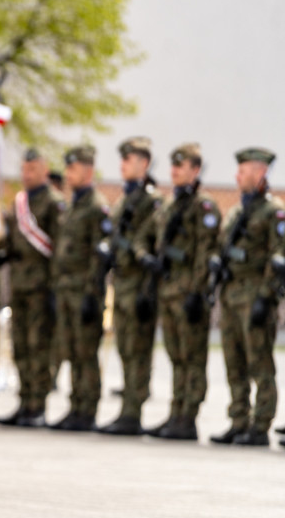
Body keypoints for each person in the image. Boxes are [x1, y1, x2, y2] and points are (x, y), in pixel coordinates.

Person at [134, 144, 220, 441]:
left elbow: (204, 253)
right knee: (175, 356)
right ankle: (175, 412)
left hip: (188, 294)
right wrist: (146, 255)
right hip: (167, 290)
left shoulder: (203, 206)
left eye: (181, 166)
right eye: (172, 167)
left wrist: (198, 292)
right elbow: (143, 236)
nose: (174, 171)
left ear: (195, 170)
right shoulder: (168, 205)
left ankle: (188, 417)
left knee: (192, 356)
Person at [209, 148, 284, 447]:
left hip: (255, 295)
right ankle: (239, 419)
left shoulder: (273, 212)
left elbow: (279, 255)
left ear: (260, 173)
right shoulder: (238, 211)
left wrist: (265, 297)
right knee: (233, 360)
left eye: (243, 172)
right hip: (230, 294)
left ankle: (260, 424)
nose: (237, 177)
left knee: (260, 363)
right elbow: (221, 244)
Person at [97, 137, 163, 435]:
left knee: (138, 349)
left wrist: (148, 290)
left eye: (130, 160)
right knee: (125, 347)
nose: (123, 165)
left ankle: (133, 410)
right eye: (123, 160)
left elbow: (155, 247)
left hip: (139, 286)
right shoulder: (124, 200)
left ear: (144, 164)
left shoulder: (152, 202)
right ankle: (127, 407)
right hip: (122, 283)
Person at [0, 149, 65, 427]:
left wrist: (54, 290)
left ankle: (38, 405)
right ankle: (24, 402)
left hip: (41, 286)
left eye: (32, 170)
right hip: (20, 285)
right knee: (20, 346)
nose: (27, 175)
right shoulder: (20, 202)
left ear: (44, 170)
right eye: (24, 169)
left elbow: (58, 249)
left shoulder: (54, 203)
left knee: (39, 347)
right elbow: (12, 240)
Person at [49, 145, 109, 431]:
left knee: (86, 352)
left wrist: (92, 294)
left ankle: (88, 409)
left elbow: (99, 255)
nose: (67, 174)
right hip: (66, 290)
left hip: (85, 293)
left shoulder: (96, 206)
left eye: (73, 169)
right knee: (72, 350)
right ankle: (76, 406)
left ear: (87, 170)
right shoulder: (72, 204)